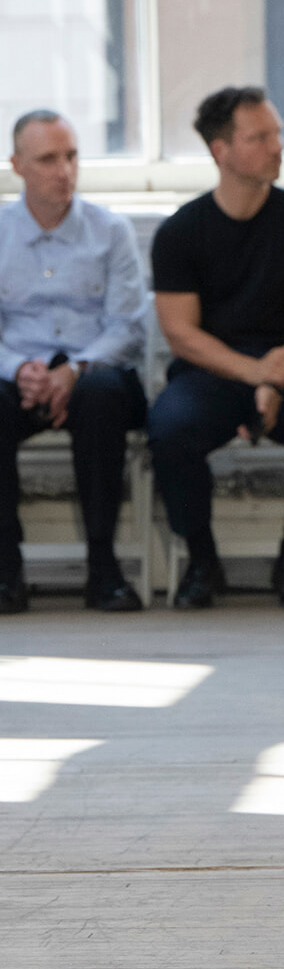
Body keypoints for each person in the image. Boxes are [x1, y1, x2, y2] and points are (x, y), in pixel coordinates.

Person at [147, 87, 284, 610]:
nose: (277, 146)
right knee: (170, 427)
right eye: (260, 137)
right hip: (213, 369)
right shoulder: (180, 232)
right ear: (221, 151)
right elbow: (182, 334)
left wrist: (277, 378)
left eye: (277, 133)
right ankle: (200, 559)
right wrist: (256, 375)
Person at [0, 110, 148, 615]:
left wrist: (74, 370)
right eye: (47, 159)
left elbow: (128, 325)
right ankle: (5, 571)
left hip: (94, 374)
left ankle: (103, 569)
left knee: (102, 395)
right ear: (17, 165)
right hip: (18, 376)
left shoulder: (111, 231)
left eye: (71, 156)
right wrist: (20, 369)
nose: (63, 170)